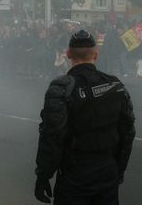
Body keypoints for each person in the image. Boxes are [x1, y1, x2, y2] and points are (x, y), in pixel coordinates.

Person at [35, 29, 136, 205]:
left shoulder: (61, 89)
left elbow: (52, 137)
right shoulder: (115, 85)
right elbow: (128, 132)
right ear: (96, 55)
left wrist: (43, 175)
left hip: (75, 174)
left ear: (68, 54)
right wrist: (118, 169)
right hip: (107, 170)